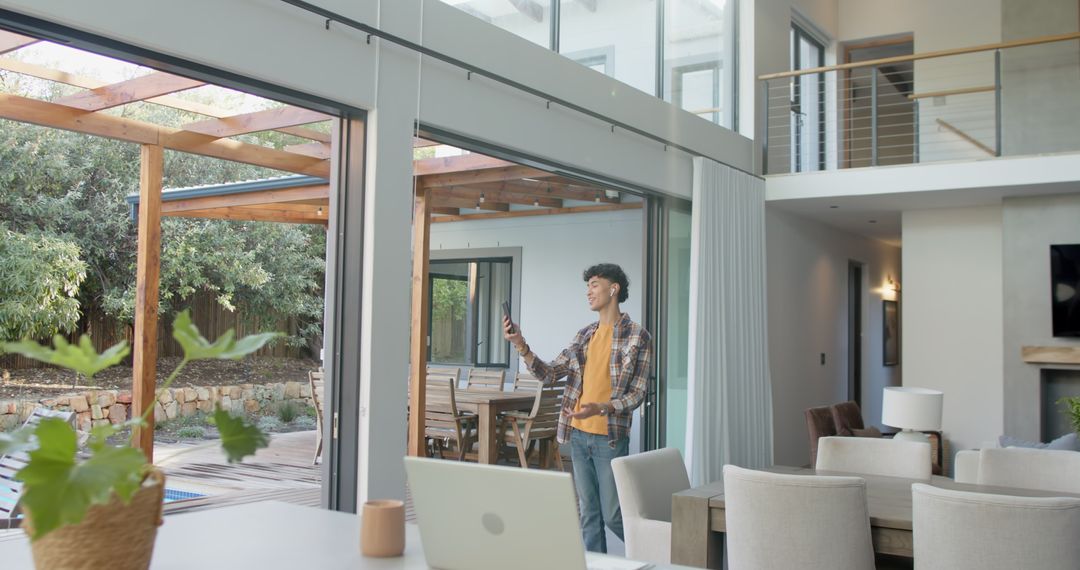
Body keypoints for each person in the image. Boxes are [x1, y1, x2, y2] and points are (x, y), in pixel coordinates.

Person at [502, 263, 653, 554]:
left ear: (614, 289)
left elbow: (637, 394)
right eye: (588, 286)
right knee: (589, 515)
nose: (588, 292)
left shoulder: (638, 337)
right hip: (579, 436)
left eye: (594, 285)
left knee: (612, 515)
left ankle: (659, 552)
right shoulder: (584, 335)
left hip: (609, 438)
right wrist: (521, 344)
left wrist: (601, 408)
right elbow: (549, 373)